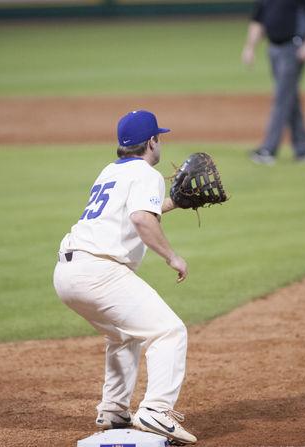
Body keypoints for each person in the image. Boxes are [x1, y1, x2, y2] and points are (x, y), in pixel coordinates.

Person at [52, 110, 197, 445]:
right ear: (151, 142)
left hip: (67, 273)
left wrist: (173, 202)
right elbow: (142, 220)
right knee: (169, 332)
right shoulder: (147, 173)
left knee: (124, 335)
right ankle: (157, 410)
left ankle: (114, 410)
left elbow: (133, 209)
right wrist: (172, 256)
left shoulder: (110, 171)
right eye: (159, 137)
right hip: (100, 273)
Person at [242, 0, 305, 165]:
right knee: (289, 97)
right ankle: (303, 151)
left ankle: (268, 150)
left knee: (282, 97)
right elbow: (258, 20)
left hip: (294, 49)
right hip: (273, 48)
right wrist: (250, 47)